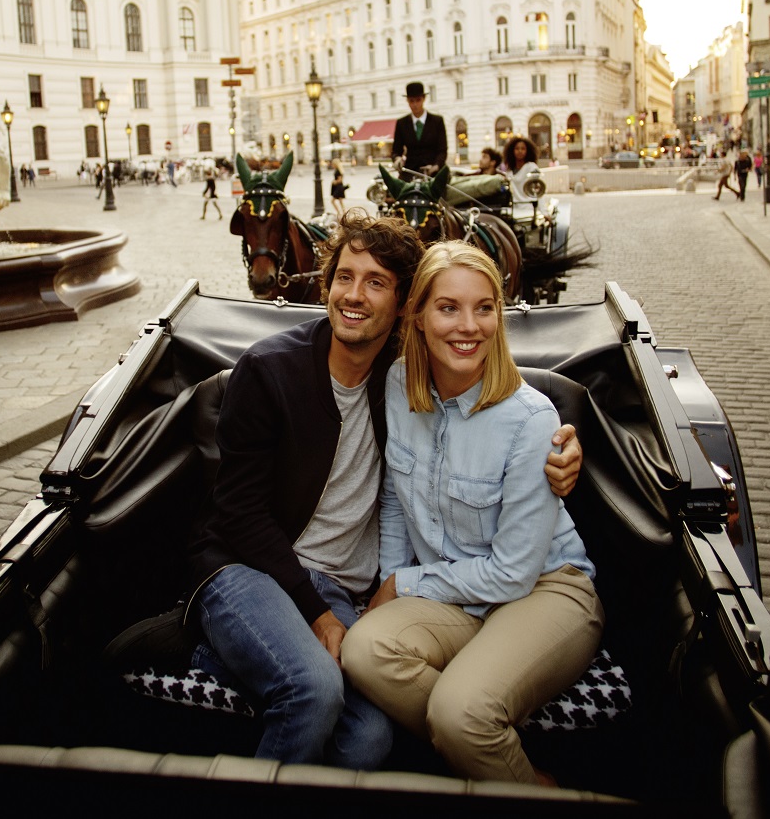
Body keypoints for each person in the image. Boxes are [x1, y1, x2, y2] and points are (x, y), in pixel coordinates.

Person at [185, 212, 583, 770]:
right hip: (249, 569)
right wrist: (319, 614)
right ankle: (231, 644)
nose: (354, 295)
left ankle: (242, 657)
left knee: (371, 739)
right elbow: (237, 513)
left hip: (340, 591)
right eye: (344, 277)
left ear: (402, 308)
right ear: (326, 286)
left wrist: (564, 445)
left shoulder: (400, 377)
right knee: (312, 692)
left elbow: (499, 403)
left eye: (375, 282)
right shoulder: (269, 371)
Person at [342, 242, 602, 785]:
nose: (469, 326)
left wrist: (405, 584)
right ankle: (487, 746)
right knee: (363, 649)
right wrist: (389, 580)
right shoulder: (398, 385)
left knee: (461, 711)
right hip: (458, 593)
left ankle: (495, 752)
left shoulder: (531, 420)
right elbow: (393, 497)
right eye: (448, 307)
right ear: (416, 315)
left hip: (545, 590)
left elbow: (513, 573)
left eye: (484, 308)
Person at [390, 82, 448, 176]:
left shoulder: (437, 121)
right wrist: (397, 159)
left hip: (434, 172)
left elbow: (442, 150)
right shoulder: (402, 123)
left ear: (424, 99)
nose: (415, 104)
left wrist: (436, 166)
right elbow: (396, 150)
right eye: (411, 101)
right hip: (410, 171)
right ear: (407, 101)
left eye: (418, 100)